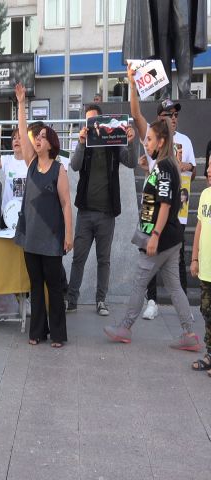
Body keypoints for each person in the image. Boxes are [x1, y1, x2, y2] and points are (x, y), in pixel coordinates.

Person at [104, 119, 200, 350]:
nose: (146, 144)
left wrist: (155, 235)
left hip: (162, 238)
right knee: (174, 286)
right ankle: (189, 334)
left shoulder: (166, 166)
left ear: (161, 141)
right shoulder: (161, 164)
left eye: (149, 139)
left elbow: (165, 204)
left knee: (139, 283)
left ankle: (125, 328)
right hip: (169, 238)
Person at [128, 63, 196, 320]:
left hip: (172, 213)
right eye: (169, 115)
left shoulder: (180, 145)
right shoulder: (154, 138)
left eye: (175, 115)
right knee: (154, 270)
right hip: (155, 213)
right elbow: (136, 114)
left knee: (157, 269)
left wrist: (185, 166)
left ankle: (128, 324)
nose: (174, 118)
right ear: (160, 119)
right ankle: (159, 307)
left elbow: (183, 178)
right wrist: (132, 84)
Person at [13, 83, 73, 348]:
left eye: (42, 138)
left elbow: (65, 205)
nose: (36, 140)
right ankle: (38, 331)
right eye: (35, 138)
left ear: (51, 144)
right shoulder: (31, 163)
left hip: (51, 238)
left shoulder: (59, 170)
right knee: (35, 285)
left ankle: (58, 334)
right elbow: (23, 132)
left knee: (54, 287)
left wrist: (68, 235)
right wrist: (21, 103)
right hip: (31, 238)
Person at [65, 104, 138, 316]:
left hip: (107, 213)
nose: (91, 125)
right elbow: (75, 165)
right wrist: (80, 143)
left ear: (102, 121)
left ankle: (101, 300)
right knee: (79, 257)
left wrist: (133, 143)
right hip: (86, 212)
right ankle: (72, 299)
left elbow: (132, 162)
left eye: (94, 120)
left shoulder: (113, 141)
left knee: (103, 260)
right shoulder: (84, 143)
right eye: (87, 121)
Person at [0, 127, 28, 223]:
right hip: (7, 215)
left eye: (20, 138)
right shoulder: (7, 160)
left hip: (25, 216)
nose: (16, 140)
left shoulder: (31, 162)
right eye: (14, 138)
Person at [190, 164, 211, 370]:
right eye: (209, 165)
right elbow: (199, 227)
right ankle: (210, 354)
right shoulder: (205, 194)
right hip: (206, 268)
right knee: (206, 311)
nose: (209, 170)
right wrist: (194, 258)